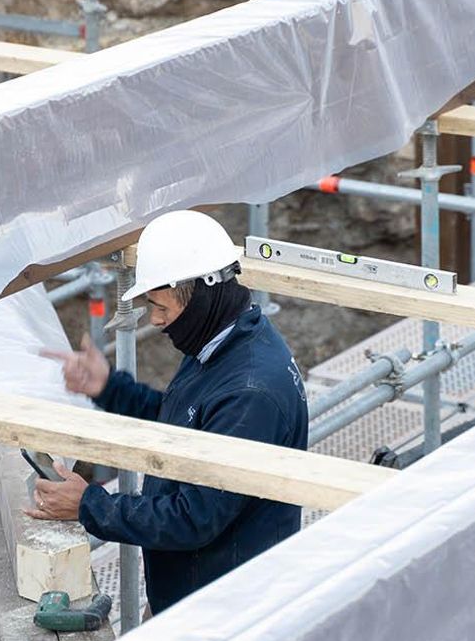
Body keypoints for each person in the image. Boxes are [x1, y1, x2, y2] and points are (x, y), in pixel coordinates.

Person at [31, 210, 309, 616]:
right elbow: (182, 421)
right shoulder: (221, 344)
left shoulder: (251, 392)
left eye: (161, 306)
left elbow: (195, 518)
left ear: (201, 292)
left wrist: (90, 505)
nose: (157, 321)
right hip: (194, 592)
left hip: (226, 611)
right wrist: (109, 388)